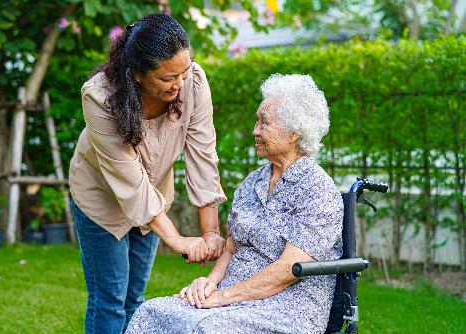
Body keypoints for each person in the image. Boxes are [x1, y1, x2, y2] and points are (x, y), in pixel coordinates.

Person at [125, 74, 344, 334]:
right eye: (257, 120)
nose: (255, 130)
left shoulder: (316, 189)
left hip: (286, 306)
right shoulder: (254, 182)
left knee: (207, 327)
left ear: (295, 133)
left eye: (264, 123)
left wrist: (224, 296)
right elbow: (231, 248)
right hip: (233, 297)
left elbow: (290, 269)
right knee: (151, 312)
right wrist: (209, 284)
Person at [68, 13, 227, 334]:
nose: (180, 83)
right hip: (101, 201)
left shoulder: (192, 82)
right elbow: (129, 179)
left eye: (184, 71)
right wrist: (177, 240)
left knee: (135, 300)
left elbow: (202, 156)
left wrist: (210, 233)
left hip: (154, 199)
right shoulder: (99, 96)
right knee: (110, 300)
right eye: (168, 77)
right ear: (137, 74)